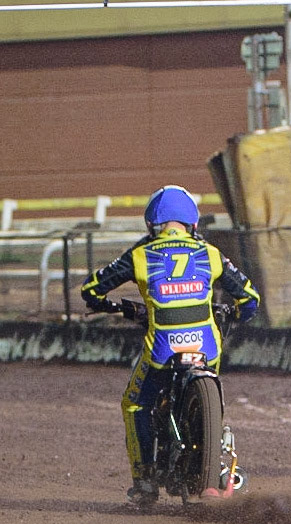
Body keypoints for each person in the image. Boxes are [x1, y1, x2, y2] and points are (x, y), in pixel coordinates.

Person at [80, 186, 261, 504]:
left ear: (152, 224)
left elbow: (92, 289)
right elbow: (250, 298)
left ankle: (145, 481)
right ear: (192, 223)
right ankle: (217, 460)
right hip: (207, 348)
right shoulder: (210, 253)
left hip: (163, 350)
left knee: (135, 404)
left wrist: (117, 307)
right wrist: (233, 313)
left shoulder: (140, 255)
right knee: (216, 392)